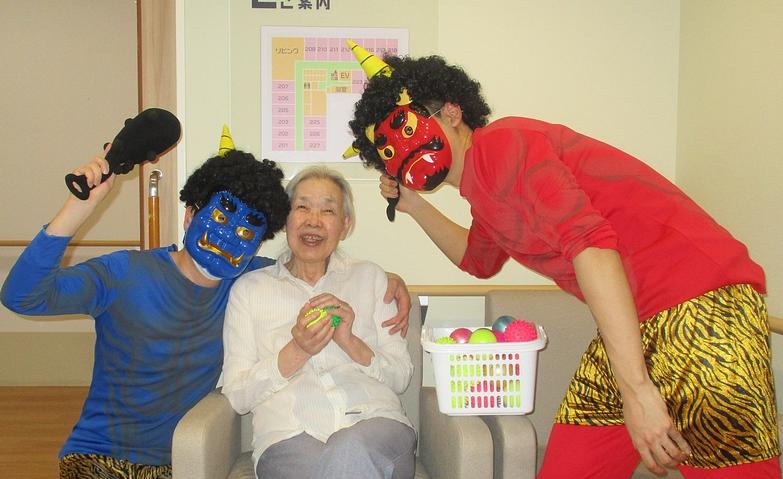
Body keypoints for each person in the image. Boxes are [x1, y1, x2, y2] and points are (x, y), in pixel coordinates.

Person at [347, 45, 779, 479]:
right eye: (387, 150)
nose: (402, 152)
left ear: (453, 111)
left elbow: (591, 246)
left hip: (700, 305)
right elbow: (478, 259)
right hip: (635, 323)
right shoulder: (485, 189)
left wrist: (637, 390)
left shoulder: (503, 146)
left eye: (406, 128)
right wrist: (414, 206)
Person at [1, 139, 411, 478]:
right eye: (221, 216)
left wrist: (389, 280)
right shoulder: (125, 272)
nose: (229, 236)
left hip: (185, 463)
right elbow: (22, 296)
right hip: (101, 457)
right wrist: (79, 208)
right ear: (189, 215)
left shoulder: (246, 279)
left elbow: (311, 267)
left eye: (246, 230)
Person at [221, 166, 417, 479]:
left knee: (350, 448)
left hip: (376, 425)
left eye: (328, 210)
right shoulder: (249, 290)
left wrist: (350, 342)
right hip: (287, 436)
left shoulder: (371, 279)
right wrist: (297, 350)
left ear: (345, 224)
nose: (313, 220)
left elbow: (401, 376)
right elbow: (237, 395)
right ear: (286, 219)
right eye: (302, 207)